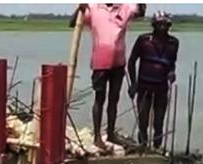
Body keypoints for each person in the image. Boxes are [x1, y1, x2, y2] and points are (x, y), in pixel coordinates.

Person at [70, 3, 146, 149]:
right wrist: (80, 9)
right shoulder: (94, 8)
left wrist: (141, 5)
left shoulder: (125, 7)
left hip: (118, 62)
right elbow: (73, 23)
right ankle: (97, 137)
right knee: (99, 99)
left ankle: (111, 133)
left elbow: (141, 12)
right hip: (100, 62)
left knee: (114, 99)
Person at [127, 11, 179, 149]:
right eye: (159, 24)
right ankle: (143, 148)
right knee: (143, 122)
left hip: (161, 89)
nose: (163, 27)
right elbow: (131, 61)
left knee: (159, 124)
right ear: (154, 25)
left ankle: (156, 149)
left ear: (169, 26)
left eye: (166, 25)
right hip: (144, 88)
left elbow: (172, 63)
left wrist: (172, 72)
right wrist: (133, 84)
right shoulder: (144, 40)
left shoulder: (174, 43)